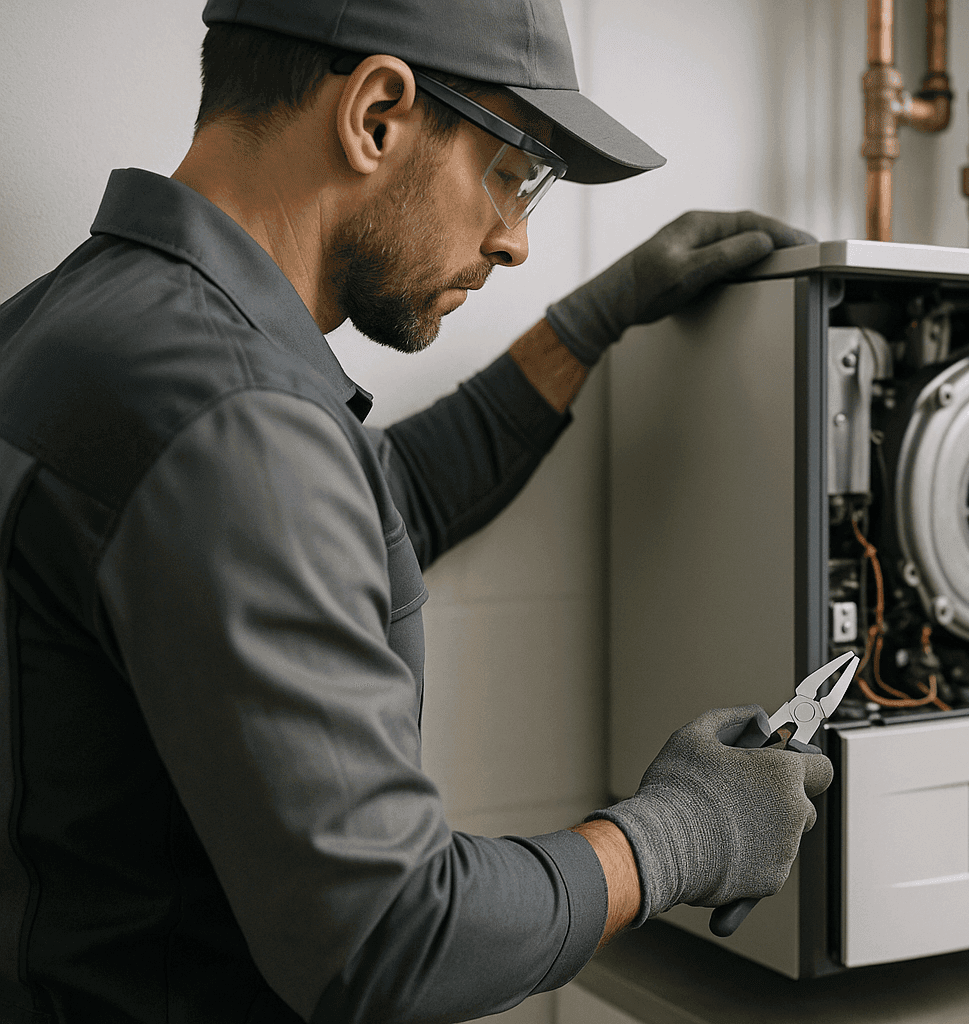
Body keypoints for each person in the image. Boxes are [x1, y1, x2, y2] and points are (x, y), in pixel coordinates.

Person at [0, 1, 831, 1021]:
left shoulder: (79, 322)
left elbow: (375, 506)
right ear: (378, 114)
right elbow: (395, 934)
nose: (517, 240)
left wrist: (590, 322)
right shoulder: (235, 420)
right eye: (514, 171)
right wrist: (678, 834)